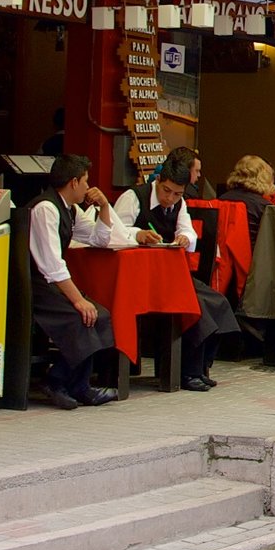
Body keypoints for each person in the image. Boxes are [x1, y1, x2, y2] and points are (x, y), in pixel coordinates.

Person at [110, 165, 226, 391]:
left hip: (167, 275)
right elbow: (113, 232)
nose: (170, 198)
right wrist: (138, 234)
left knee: (217, 302)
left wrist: (185, 237)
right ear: (158, 181)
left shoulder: (179, 204)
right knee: (195, 303)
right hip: (136, 277)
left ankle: (200, 366)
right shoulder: (133, 198)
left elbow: (188, 230)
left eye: (177, 194)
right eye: (166, 191)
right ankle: (187, 372)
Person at [26, 155, 122, 410]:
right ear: (74, 181)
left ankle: (79, 385)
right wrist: (78, 299)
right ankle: (56, 381)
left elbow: (98, 238)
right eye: (86, 181)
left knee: (100, 315)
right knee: (82, 315)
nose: (88, 186)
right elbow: (50, 264)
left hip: (53, 283)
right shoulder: (45, 208)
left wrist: (103, 208)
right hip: (37, 286)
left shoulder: (70, 208)